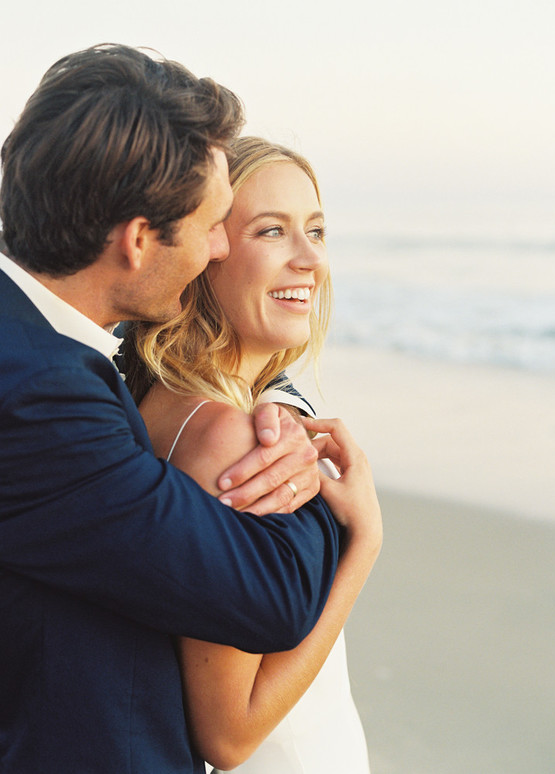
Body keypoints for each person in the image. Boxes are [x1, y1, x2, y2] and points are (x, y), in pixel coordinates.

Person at [0, 45, 376, 774]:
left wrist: (281, 403)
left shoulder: (74, 361)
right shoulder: (44, 397)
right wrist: (358, 529)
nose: (214, 248)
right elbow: (267, 598)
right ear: (139, 240)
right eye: (220, 225)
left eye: (316, 228)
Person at [124, 136, 382, 773]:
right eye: (272, 231)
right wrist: (365, 543)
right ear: (207, 251)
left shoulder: (175, 400)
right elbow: (230, 733)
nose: (310, 260)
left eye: (316, 230)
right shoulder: (228, 437)